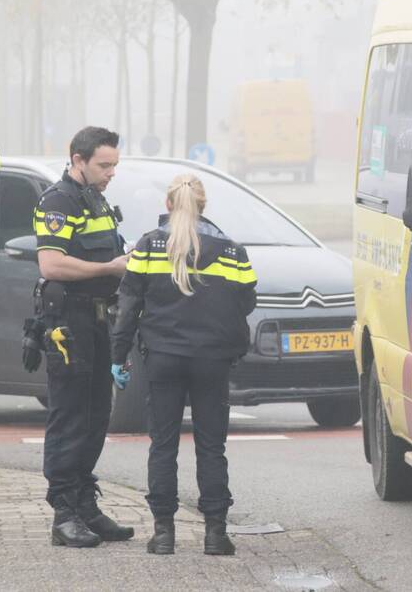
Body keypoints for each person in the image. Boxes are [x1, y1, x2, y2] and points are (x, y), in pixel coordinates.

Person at [111, 174, 257, 556]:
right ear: (203, 205)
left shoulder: (148, 246)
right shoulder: (231, 250)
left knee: (163, 444)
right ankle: (215, 535)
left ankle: (163, 535)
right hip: (212, 360)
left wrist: (118, 356)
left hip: (163, 358)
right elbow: (247, 302)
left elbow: (128, 306)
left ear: (168, 205)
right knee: (211, 446)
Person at [32, 126, 134, 548]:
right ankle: (64, 513)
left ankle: (85, 504)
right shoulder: (59, 201)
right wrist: (110, 267)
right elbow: (51, 265)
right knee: (70, 415)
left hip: (98, 319)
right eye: (104, 165)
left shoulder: (97, 199)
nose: (111, 173)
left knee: (96, 415)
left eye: (114, 165)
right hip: (69, 323)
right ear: (78, 160)